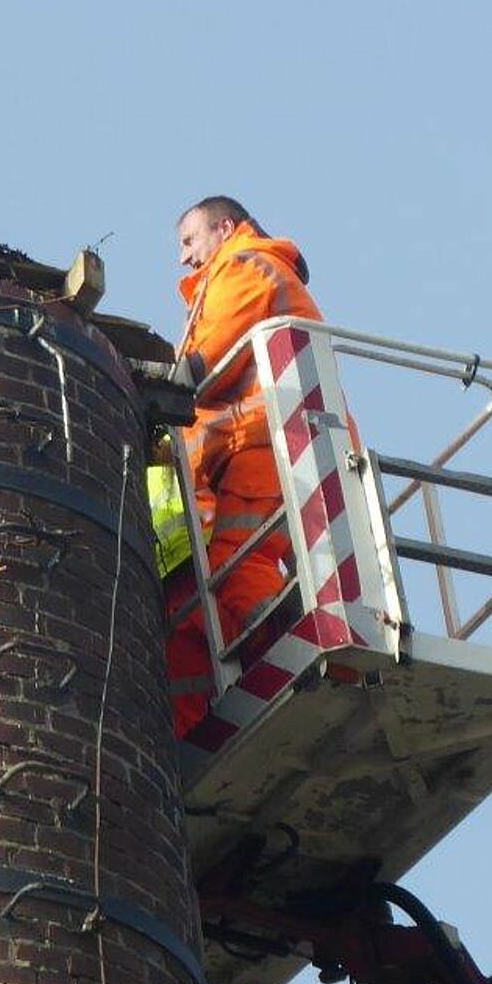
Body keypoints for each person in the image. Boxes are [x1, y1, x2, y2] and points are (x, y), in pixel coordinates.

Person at [162, 196, 325, 738]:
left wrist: (154, 395)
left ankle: (297, 662)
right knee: (222, 583)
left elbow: (204, 365)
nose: (184, 258)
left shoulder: (245, 266)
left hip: (271, 441)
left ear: (224, 228)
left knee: (242, 570)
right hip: (254, 447)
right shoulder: (228, 276)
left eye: (189, 241)